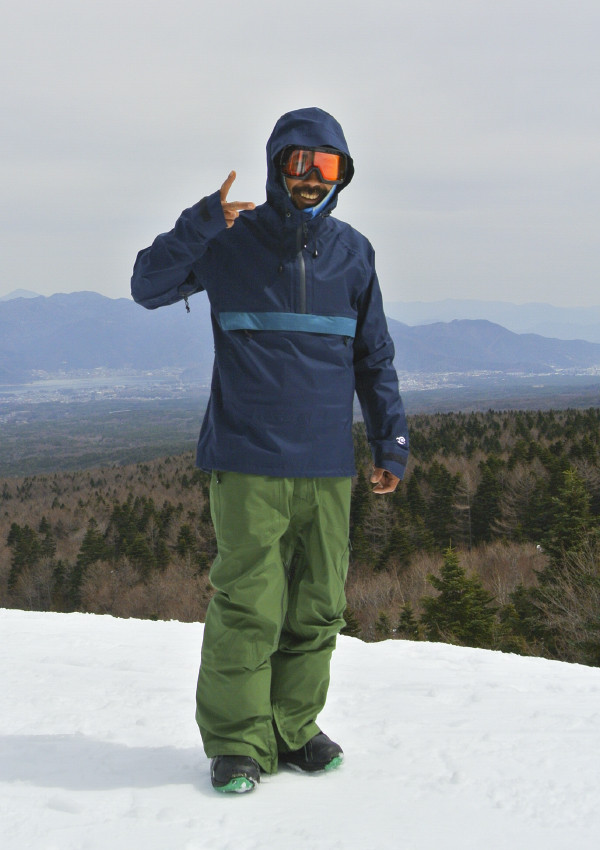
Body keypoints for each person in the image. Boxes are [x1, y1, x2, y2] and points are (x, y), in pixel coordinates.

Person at [131, 107, 409, 793]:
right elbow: (147, 286)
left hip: (326, 465)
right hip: (246, 459)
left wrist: (390, 442)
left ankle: (293, 726)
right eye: (299, 162)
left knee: (318, 605)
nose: (312, 176)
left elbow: (373, 357)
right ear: (277, 164)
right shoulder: (230, 240)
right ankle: (237, 741)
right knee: (249, 606)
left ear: (343, 173)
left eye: (327, 165)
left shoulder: (354, 253)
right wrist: (201, 222)